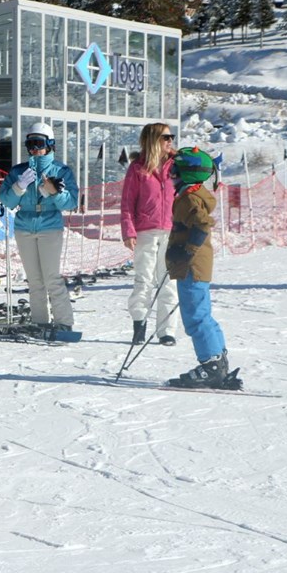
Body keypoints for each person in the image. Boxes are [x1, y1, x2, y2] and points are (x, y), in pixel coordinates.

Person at [0, 122, 78, 332]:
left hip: (49, 227)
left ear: (50, 144)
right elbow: (7, 201)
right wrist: (19, 187)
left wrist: (55, 193)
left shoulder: (60, 170)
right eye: (30, 143)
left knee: (52, 277)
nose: (34, 148)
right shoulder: (18, 171)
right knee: (34, 280)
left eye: (39, 143)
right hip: (25, 226)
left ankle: (64, 322)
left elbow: (72, 202)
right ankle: (40, 321)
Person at [165, 147, 234, 389]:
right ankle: (218, 359)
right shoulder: (193, 193)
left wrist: (186, 250)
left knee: (195, 317)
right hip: (196, 264)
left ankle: (211, 365)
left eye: (174, 170)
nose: (171, 174)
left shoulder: (189, 198)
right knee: (203, 314)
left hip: (192, 266)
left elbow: (202, 225)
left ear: (188, 173)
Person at [119, 122, 180, 347]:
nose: (170, 141)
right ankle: (139, 324)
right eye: (165, 137)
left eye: (171, 137)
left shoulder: (176, 165)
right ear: (153, 140)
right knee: (144, 280)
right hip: (145, 231)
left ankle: (166, 331)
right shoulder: (137, 168)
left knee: (168, 281)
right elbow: (127, 203)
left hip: (171, 231)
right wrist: (128, 230)